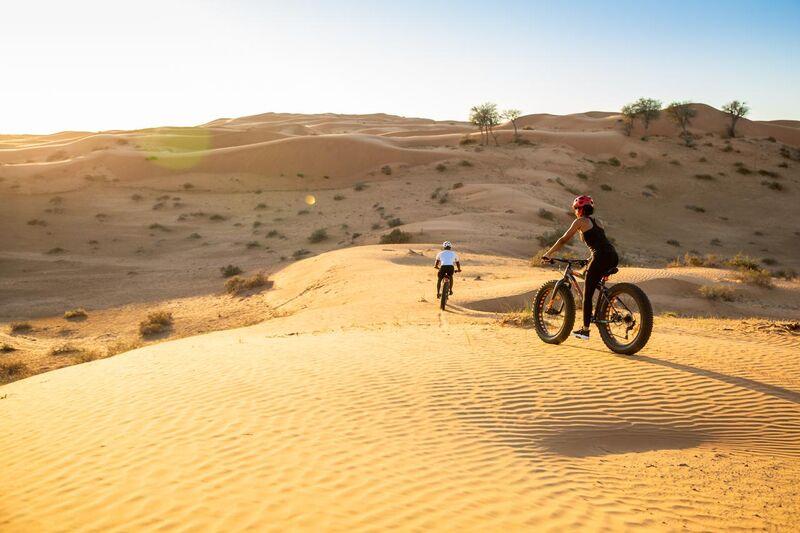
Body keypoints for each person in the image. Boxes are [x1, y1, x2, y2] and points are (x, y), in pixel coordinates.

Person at [542, 195, 619, 340]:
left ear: (581, 209)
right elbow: (600, 243)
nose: (575, 211)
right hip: (612, 256)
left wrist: (548, 254)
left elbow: (563, 239)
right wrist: (590, 259)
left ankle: (585, 330)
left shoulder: (580, 221)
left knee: (587, 294)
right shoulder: (598, 222)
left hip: (601, 256)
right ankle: (606, 307)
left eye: (576, 208)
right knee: (591, 278)